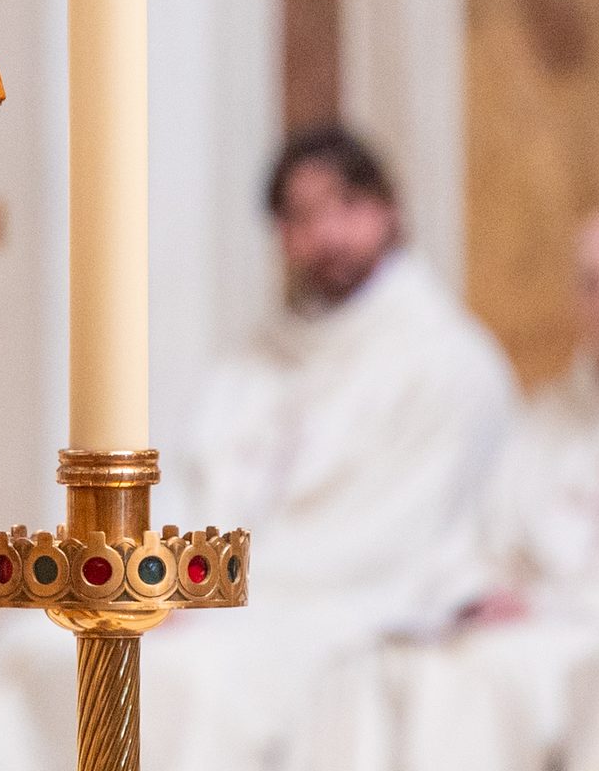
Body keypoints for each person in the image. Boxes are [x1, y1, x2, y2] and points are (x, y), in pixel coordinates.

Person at [141, 124, 518, 771]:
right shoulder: (248, 364)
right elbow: (183, 486)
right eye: (302, 217)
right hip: (219, 604)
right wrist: (168, 583)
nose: (328, 236)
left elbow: (396, 535)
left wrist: (227, 603)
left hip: (335, 610)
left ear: (389, 211)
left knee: (180, 681)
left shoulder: (446, 362)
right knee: (29, 653)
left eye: (346, 207)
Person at [312, 204, 599, 771]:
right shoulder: (547, 420)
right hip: (527, 631)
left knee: (477, 686)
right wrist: (473, 595)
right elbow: (484, 542)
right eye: (592, 283)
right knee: (377, 671)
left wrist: (544, 605)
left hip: (587, 636)